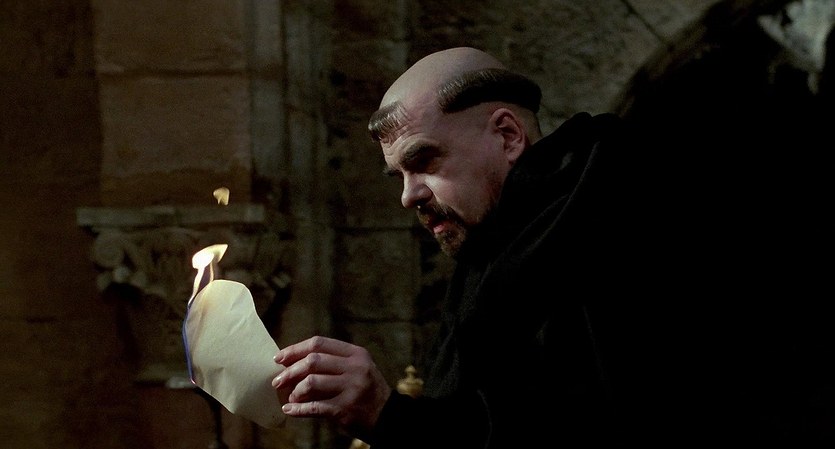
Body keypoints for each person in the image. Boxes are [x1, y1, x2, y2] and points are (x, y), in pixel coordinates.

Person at [271, 46, 834, 447]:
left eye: (424, 161)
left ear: (508, 135)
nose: (408, 196)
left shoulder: (624, 220)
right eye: (398, 175)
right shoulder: (493, 248)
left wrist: (387, 415)